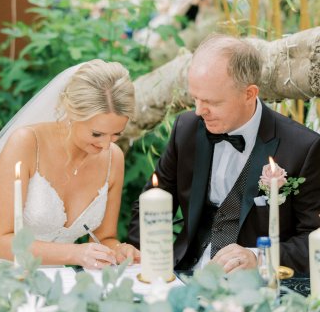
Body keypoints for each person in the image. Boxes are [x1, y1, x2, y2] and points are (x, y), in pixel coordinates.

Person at [128, 34, 320, 275]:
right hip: (182, 270)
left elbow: (313, 240)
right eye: (195, 99)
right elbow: (152, 202)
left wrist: (258, 257)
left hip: (252, 284)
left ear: (249, 94)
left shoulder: (303, 148)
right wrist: (137, 256)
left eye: (212, 102)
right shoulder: (186, 129)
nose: (199, 111)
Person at [0, 60, 139, 293]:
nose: (106, 145)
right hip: (5, 279)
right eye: (97, 133)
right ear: (71, 112)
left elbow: (104, 238)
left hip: (65, 285)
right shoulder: (26, 144)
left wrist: (117, 250)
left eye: (116, 134)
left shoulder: (113, 158)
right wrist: (74, 253)